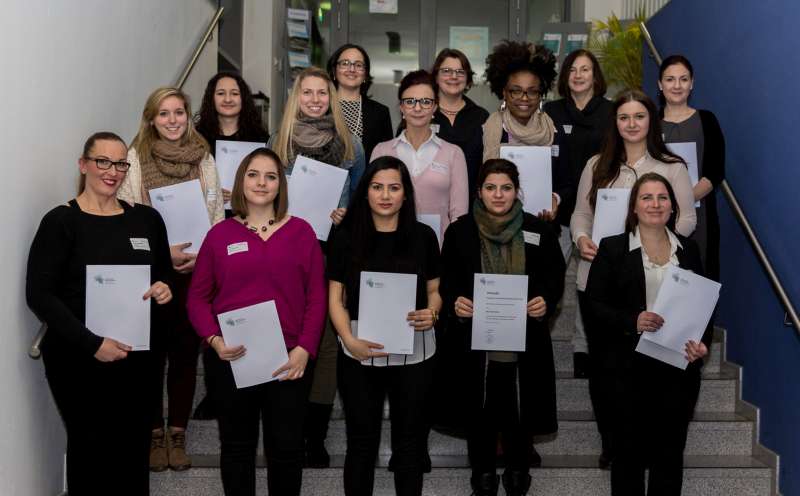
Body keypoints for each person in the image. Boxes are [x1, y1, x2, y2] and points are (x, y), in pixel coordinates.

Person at [26, 132, 174, 495]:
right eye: (102, 162)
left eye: (121, 163)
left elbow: (164, 275)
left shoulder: (147, 221)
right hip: (79, 358)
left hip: (140, 359)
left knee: (134, 450)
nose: (113, 171)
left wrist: (163, 289)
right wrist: (93, 344)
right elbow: (40, 295)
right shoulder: (60, 222)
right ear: (83, 164)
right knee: (90, 450)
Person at [187, 148, 326, 496]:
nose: (261, 183)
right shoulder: (219, 235)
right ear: (240, 182)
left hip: (288, 360)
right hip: (231, 358)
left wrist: (305, 350)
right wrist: (214, 340)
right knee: (236, 447)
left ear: (281, 185)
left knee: (287, 449)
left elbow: (317, 298)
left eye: (270, 176)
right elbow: (197, 298)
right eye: (253, 174)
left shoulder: (302, 232)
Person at [570, 88, 696, 469]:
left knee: (654, 371)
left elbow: (688, 218)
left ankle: (649, 440)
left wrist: (661, 240)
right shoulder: (597, 165)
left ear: (650, 121)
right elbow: (580, 214)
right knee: (605, 367)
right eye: (623, 117)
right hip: (601, 279)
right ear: (616, 123)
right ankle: (613, 441)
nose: (631, 124)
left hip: (658, 279)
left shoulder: (672, 166)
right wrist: (581, 239)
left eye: (638, 116)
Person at [439, 158, 565, 496]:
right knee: (479, 410)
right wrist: (456, 303)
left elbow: (554, 279)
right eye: (491, 188)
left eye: (506, 188)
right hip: (474, 343)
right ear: (479, 191)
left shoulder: (538, 230)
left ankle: (517, 470)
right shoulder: (460, 231)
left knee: (519, 410)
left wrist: (545, 302)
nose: (499, 194)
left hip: (525, 342)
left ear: (517, 191)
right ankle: (481, 472)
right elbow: (447, 282)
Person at [118, 86, 225, 471]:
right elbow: (128, 217)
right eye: (164, 114)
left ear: (188, 116)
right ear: (151, 119)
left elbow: (216, 214)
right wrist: (165, 256)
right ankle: (152, 434)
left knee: (183, 355)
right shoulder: (134, 158)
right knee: (150, 356)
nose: (172, 120)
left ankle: (177, 433)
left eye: (179, 112)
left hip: (194, 272)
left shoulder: (204, 158)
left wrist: (205, 256)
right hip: (151, 274)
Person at [584, 173, 711, 496]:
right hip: (625, 370)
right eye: (647, 198)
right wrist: (633, 320)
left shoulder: (690, 250)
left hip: (677, 371)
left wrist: (702, 344)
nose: (655, 204)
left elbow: (703, 304)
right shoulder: (612, 249)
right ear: (634, 207)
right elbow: (594, 306)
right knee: (628, 456)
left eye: (662, 198)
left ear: (672, 206)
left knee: (669, 457)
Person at [269, 66, 367, 467]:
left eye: (321, 94)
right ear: (296, 98)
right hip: (286, 253)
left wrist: (347, 212)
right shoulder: (278, 143)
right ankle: (287, 426)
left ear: (332, 98)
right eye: (307, 93)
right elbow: (263, 193)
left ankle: (316, 433)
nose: (314, 100)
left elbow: (362, 198)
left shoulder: (352, 146)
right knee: (287, 333)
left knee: (326, 343)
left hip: (331, 253)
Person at [328, 156, 441, 496]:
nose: (385, 195)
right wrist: (348, 339)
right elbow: (335, 298)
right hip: (360, 351)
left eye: (394, 187)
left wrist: (432, 312)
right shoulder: (346, 236)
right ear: (365, 193)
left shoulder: (423, 236)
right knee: (361, 444)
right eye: (377, 187)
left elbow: (435, 291)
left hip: (416, 353)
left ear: (406, 194)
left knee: (409, 445)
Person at [193, 71, 270, 420]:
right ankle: (215, 387)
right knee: (213, 302)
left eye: (234, 93)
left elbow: (268, 180)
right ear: (211, 99)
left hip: (248, 223)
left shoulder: (259, 138)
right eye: (220, 93)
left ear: (244, 99)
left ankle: (253, 372)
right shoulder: (197, 139)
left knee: (245, 299)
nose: (227, 99)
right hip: (209, 224)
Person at [543, 50, 613, 384]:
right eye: (573, 69)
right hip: (557, 211)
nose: (579, 74)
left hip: (599, 214)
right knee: (550, 278)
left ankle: (583, 349)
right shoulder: (551, 111)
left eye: (585, 69)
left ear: (595, 75)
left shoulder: (611, 111)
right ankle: (537, 337)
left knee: (590, 286)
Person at [371, 70, 469, 241]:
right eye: (410, 102)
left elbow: (459, 214)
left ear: (435, 107)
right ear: (401, 107)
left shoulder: (453, 153)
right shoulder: (382, 150)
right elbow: (371, 205)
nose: (417, 108)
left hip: (440, 249)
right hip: (392, 246)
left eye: (425, 102)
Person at [483, 40, 570, 223]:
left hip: (542, 225)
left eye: (532, 92)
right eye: (516, 91)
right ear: (504, 93)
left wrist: (555, 199)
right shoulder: (487, 130)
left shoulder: (554, 131)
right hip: (496, 227)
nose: (524, 98)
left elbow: (566, 182)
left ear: (540, 94)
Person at [659, 54, 725, 281]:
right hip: (657, 214)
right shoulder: (649, 122)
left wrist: (683, 200)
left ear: (692, 83)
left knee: (700, 280)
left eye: (683, 79)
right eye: (670, 79)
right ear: (660, 84)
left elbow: (715, 172)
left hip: (701, 216)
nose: (677, 85)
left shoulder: (707, 120)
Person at [431, 48, 490, 197]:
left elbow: (490, 164)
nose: (454, 76)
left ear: (467, 78)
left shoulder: (481, 116)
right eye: (446, 71)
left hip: (473, 202)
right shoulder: (423, 112)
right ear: (436, 77)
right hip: (429, 200)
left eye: (460, 72)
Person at [327, 43, 393, 162]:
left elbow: (385, 159)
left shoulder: (380, 113)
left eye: (358, 65)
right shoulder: (321, 107)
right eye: (345, 63)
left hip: (366, 179)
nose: (351, 69)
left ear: (365, 75)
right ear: (334, 71)